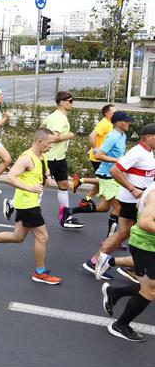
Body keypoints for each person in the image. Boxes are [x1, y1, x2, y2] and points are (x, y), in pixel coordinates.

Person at [0, 128, 63, 285]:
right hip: (28, 203)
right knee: (43, 237)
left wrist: (47, 178)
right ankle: (39, 273)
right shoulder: (26, 158)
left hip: (30, 202)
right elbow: (10, 177)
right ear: (40, 141)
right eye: (49, 143)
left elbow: (44, 170)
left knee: (18, 237)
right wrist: (29, 188)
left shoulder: (42, 155)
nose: (51, 146)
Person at [66, 112, 132, 278]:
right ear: (118, 123)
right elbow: (99, 154)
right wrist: (118, 162)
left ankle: (70, 211)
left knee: (104, 208)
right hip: (108, 175)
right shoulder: (113, 136)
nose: (129, 124)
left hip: (112, 175)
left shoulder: (122, 135)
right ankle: (110, 241)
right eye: (126, 121)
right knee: (118, 210)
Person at [94, 124, 155, 283]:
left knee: (125, 234)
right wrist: (132, 189)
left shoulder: (148, 152)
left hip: (137, 199)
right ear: (148, 137)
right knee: (133, 234)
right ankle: (101, 261)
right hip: (132, 199)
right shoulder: (137, 152)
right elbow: (115, 170)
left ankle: (97, 261)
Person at [100, 180, 155, 342]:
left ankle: (115, 293)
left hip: (150, 244)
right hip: (145, 245)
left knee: (150, 285)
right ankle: (120, 325)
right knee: (150, 290)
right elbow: (145, 222)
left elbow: (139, 206)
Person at [41, 91, 81, 229]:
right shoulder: (59, 118)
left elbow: (41, 129)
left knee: (63, 186)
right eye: (71, 101)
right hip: (50, 158)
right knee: (38, 187)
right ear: (63, 102)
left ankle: (66, 217)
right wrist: (67, 136)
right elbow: (52, 137)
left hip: (59, 157)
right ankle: (13, 204)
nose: (72, 103)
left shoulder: (54, 115)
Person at [71, 104, 115, 207]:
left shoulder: (109, 123)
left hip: (103, 156)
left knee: (102, 181)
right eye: (114, 112)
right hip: (99, 157)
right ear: (107, 113)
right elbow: (92, 136)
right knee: (104, 180)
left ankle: (86, 199)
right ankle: (81, 181)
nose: (115, 113)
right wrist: (95, 150)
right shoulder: (104, 123)